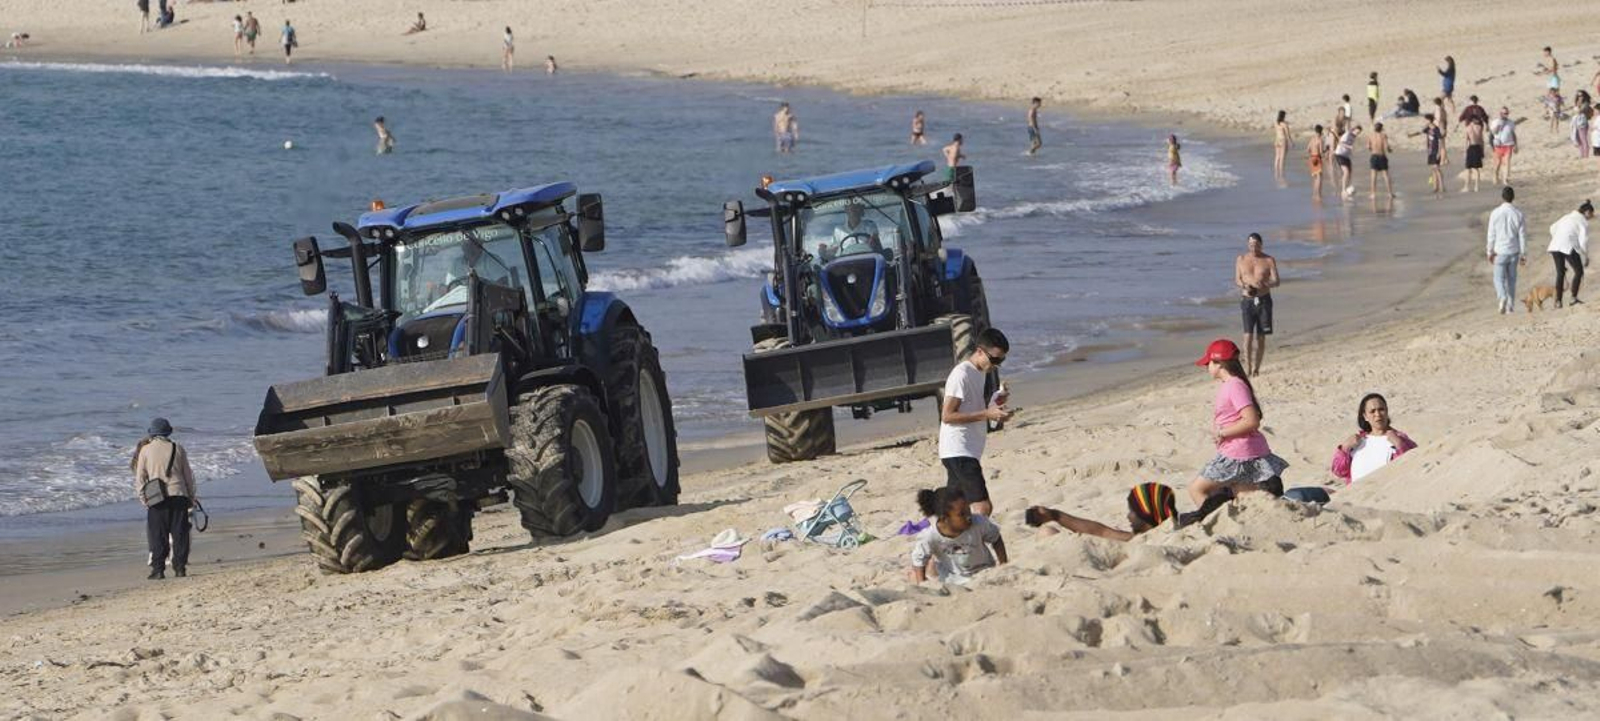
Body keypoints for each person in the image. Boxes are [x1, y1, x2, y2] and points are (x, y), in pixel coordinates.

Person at [1187, 339, 1289, 506]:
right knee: (1244, 499)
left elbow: (1251, 420)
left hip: (1238, 454)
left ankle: (1212, 521)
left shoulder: (1234, 385)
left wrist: (1222, 433)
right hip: (1245, 451)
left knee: (1197, 490)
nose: (1207, 367)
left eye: (1209, 363)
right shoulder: (1233, 383)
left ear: (1219, 363)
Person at [939, 327, 1012, 518]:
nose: (996, 365)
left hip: (965, 450)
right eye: (994, 359)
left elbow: (973, 406)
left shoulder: (979, 373)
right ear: (980, 351)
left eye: (1001, 360)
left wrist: (996, 400)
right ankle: (975, 544)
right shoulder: (961, 374)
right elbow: (947, 416)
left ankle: (953, 543)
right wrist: (988, 414)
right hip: (959, 450)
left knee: (954, 509)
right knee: (982, 507)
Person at [1026, 482, 1235, 541]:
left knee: (1046, 534)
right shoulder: (1174, 523)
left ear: (1147, 515)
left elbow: (1101, 532)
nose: (1127, 516)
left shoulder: (1152, 539)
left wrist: (1055, 516)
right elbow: (1100, 530)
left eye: (1132, 512)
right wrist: (1055, 515)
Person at [132, 418, 197, 580]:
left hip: (156, 498)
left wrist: (143, 498)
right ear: (169, 431)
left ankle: (158, 569)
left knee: (158, 534)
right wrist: (191, 495)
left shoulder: (145, 450)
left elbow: (140, 478)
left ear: (151, 433)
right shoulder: (178, 448)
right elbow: (188, 476)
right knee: (180, 533)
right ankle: (180, 567)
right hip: (178, 494)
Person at [909, 487, 1007, 584]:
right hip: (953, 578)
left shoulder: (979, 523)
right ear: (944, 518)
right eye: (962, 514)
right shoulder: (930, 535)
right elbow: (919, 559)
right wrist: (922, 584)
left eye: (968, 510)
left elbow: (996, 538)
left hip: (984, 570)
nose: (968, 516)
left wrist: (1003, 565)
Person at [1331, 394, 1418, 484]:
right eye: (1372, 411)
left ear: (1387, 411)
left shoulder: (1400, 439)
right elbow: (1339, 471)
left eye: (1381, 409)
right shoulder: (1357, 441)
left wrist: (1400, 445)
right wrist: (1344, 448)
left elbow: (1413, 466)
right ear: (1365, 416)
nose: (1378, 414)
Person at [1235, 233, 1280, 375]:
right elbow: (1237, 279)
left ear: (1261, 244)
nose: (1253, 247)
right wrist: (1244, 285)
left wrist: (1265, 283)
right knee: (1247, 336)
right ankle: (1247, 368)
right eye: (1251, 244)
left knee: (1261, 337)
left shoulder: (1268, 260)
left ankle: (1257, 368)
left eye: (1256, 244)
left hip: (1264, 300)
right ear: (1248, 245)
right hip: (1247, 301)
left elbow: (1276, 281)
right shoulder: (1241, 259)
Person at [1487, 186, 1528, 314]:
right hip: (1514, 251)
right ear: (1513, 198)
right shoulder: (1518, 214)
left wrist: (1489, 251)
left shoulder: (1495, 213)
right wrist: (1523, 253)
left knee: (1498, 279)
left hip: (1500, 251)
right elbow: (1522, 235)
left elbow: (1491, 234)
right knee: (1511, 280)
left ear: (1502, 197)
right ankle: (1510, 307)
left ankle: (1502, 296)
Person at [1547, 199, 1592, 307]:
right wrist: (1585, 256)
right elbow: (1583, 241)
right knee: (1579, 271)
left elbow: (1552, 228)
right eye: (1590, 214)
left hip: (1555, 245)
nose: (1590, 217)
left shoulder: (1567, 217)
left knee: (1560, 273)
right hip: (1568, 245)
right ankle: (1573, 298)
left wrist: (1558, 237)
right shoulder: (1582, 221)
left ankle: (1558, 301)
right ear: (1586, 212)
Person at [1490, 107, 1517, 185]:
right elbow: (1493, 132)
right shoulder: (1495, 122)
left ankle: (1506, 178)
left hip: (1508, 144)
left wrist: (1516, 145)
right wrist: (1499, 125)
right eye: (1505, 113)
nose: (1506, 115)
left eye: (1507, 113)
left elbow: (1513, 134)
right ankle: (1495, 174)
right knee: (1498, 163)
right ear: (1500, 114)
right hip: (1498, 145)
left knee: (1507, 161)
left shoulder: (1511, 122)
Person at [1334, 124, 1362, 197]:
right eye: (1357, 132)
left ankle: (1347, 187)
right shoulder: (1347, 134)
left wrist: (1351, 151)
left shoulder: (1354, 137)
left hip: (1346, 156)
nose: (1357, 134)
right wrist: (1349, 147)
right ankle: (1343, 190)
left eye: (1359, 133)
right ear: (1354, 130)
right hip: (1339, 154)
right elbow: (1340, 142)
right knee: (1346, 172)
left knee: (1350, 172)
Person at [1367, 122, 1393, 198]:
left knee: (1373, 176)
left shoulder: (1370, 135)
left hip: (1374, 156)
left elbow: (1368, 147)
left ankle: (1373, 194)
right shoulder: (1383, 135)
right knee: (1386, 175)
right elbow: (1387, 146)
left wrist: (1372, 149)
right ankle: (1390, 193)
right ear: (1381, 128)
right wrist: (1390, 150)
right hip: (1382, 156)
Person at [1462, 115, 1485, 192]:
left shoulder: (1468, 128)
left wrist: (1465, 151)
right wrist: (1482, 150)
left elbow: (1466, 141)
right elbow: (1482, 140)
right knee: (1476, 169)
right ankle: (1476, 186)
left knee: (1468, 169)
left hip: (1471, 147)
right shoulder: (1479, 127)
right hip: (1478, 147)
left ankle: (1467, 186)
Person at [1423, 114, 1445, 196]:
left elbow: (1440, 140)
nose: (1425, 121)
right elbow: (1422, 131)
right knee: (1433, 169)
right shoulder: (1427, 128)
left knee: (1437, 169)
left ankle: (1442, 186)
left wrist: (1439, 152)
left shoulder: (1436, 129)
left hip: (1435, 150)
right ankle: (1435, 187)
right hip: (1430, 151)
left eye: (1426, 120)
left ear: (1429, 120)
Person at [1307, 124, 1326, 197]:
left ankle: (1314, 193)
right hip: (1317, 158)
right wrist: (1325, 151)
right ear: (1321, 132)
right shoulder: (1320, 140)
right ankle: (1318, 194)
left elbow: (1308, 149)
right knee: (1319, 177)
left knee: (1315, 177)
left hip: (1311, 158)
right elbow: (1321, 152)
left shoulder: (1312, 139)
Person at [1273, 110, 1291, 176]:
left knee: (1277, 157)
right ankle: (1281, 174)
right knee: (1282, 158)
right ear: (1284, 116)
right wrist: (1291, 142)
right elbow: (1288, 134)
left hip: (1277, 140)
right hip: (1283, 140)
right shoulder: (1284, 124)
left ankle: (1275, 173)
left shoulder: (1275, 123)